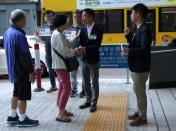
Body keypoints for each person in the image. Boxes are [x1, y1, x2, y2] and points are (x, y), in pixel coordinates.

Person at [3, 9, 39, 127]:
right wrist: (30, 71)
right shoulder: (19, 35)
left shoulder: (8, 32)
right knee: (22, 96)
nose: (26, 21)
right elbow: (24, 55)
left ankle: (12, 115)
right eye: (25, 19)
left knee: (16, 93)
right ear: (21, 19)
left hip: (13, 69)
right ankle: (22, 119)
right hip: (21, 71)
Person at [123, 3, 152, 126]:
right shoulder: (138, 28)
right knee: (137, 90)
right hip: (136, 65)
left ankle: (143, 116)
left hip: (141, 66)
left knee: (140, 91)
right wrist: (129, 36)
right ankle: (139, 111)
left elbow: (145, 49)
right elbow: (136, 44)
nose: (131, 15)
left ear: (138, 14)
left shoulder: (145, 30)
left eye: (132, 13)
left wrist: (129, 50)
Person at [51, 14, 84, 122]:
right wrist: (75, 51)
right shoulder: (58, 35)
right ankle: (60, 113)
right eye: (67, 21)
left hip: (60, 64)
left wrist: (75, 38)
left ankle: (61, 109)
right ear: (63, 23)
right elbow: (65, 51)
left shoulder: (59, 33)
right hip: (60, 65)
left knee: (62, 87)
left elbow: (67, 45)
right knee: (67, 88)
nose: (69, 23)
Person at [79, 8, 103, 112]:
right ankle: (88, 100)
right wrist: (81, 47)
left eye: (85, 16)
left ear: (91, 17)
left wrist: (85, 48)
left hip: (94, 60)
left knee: (94, 82)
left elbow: (97, 45)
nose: (82, 18)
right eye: (82, 16)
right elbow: (81, 42)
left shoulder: (98, 29)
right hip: (84, 59)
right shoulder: (83, 29)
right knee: (85, 82)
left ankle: (94, 103)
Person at [68, 10, 85, 97]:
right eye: (75, 16)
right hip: (73, 54)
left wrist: (84, 48)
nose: (77, 18)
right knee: (73, 74)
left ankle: (83, 91)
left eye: (78, 16)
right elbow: (68, 42)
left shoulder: (86, 28)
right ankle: (74, 90)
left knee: (84, 73)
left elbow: (91, 38)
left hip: (83, 54)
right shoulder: (70, 29)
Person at [40, 10, 57, 93]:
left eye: (50, 16)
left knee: (59, 70)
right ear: (45, 18)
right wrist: (38, 36)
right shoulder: (43, 28)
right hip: (48, 53)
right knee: (50, 70)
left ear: (53, 16)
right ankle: (53, 86)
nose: (48, 18)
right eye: (47, 16)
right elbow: (41, 40)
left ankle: (64, 86)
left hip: (57, 53)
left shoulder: (57, 26)